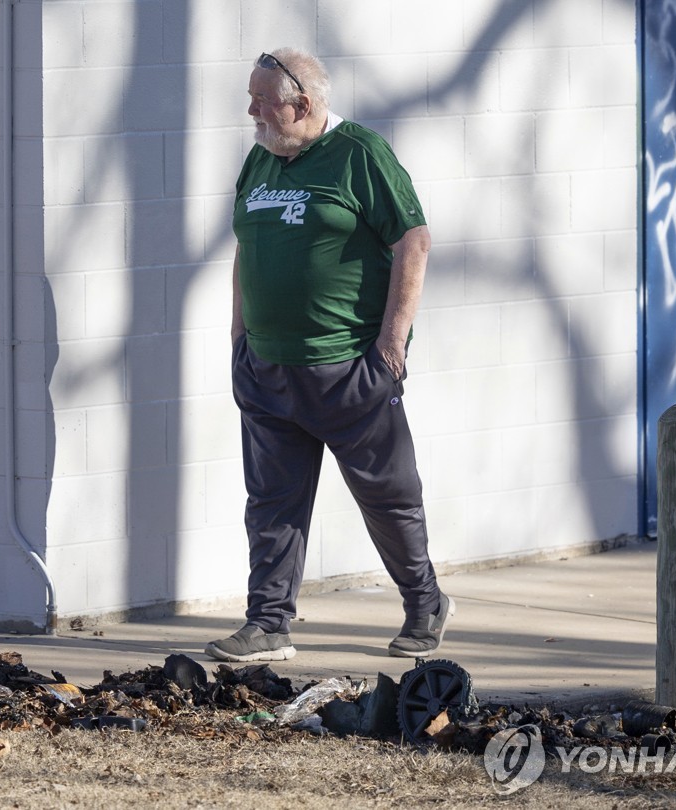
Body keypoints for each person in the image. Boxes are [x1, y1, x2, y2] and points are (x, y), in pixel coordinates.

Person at [205, 48, 454, 663]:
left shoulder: (360, 154)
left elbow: (412, 240)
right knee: (271, 505)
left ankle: (425, 603)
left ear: (304, 104)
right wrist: (239, 338)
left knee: (388, 496)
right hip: (267, 370)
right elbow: (246, 247)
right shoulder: (260, 159)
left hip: (347, 368)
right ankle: (267, 625)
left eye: (262, 102)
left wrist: (392, 345)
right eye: (251, 99)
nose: (251, 111)